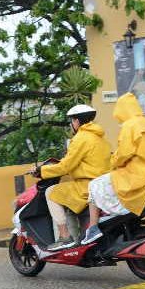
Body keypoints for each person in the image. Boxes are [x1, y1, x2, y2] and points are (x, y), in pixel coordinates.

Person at [82, 93, 145, 245]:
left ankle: (93, 228)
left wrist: (113, 161)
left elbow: (124, 153)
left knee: (94, 185)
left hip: (138, 175)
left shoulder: (130, 126)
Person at [31, 105, 111, 251]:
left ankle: (65, 237)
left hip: (87, 186)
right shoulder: (100, 138)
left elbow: (65, 166)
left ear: (77, 121)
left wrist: (41, 171)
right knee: (65, 193)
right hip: (103, 185)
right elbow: (83, 164)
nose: (71, 124)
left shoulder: (80, 138)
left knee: (51, 192)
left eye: (72, 121)